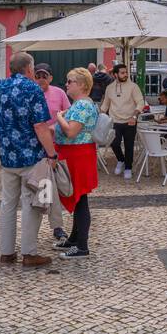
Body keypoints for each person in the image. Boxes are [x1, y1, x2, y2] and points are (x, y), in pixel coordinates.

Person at [0, 51, 57, 268]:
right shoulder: (33, 89)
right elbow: (40, 126)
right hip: (30, 156)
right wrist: (51, 153)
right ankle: (29, 253)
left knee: (7, 204)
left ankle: (6, 253)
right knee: (31, 204)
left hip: (8, 157)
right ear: (29, 68)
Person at [51, 68, 100, 259]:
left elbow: (71, 132)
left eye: (70, 81)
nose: (66, 84)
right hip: (77, 154)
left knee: (80, 199)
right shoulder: (81, 104)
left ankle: (82, 247)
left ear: (81, 84)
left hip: (77, 155)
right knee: (79, 198)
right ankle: (73, 239)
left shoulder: (82, 105)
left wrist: (59, 117)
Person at [33, 66, 71, 242]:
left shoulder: (59, 93)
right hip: (35, 148)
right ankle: (41, 223)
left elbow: (68, 115)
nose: (41, 79)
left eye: (44, 76)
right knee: (42, 186)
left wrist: (54, 127)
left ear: (50, 77)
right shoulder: (30, 93)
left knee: (54, 185)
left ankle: (57, 225)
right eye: (38, 75)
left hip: (56, 146)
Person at [100, 63, 143, 180]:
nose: (125, 75)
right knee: (114, 143)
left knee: (129, 146)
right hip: (114, 121)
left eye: (126, 72)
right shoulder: (109, 88)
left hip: (130, 121)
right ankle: (121, 160)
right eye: (122, 73)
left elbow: (140, 102)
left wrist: (134, 117)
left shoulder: (133, 87)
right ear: (115, 75)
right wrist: (98, 114)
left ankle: (128, 167)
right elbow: (105, 105)